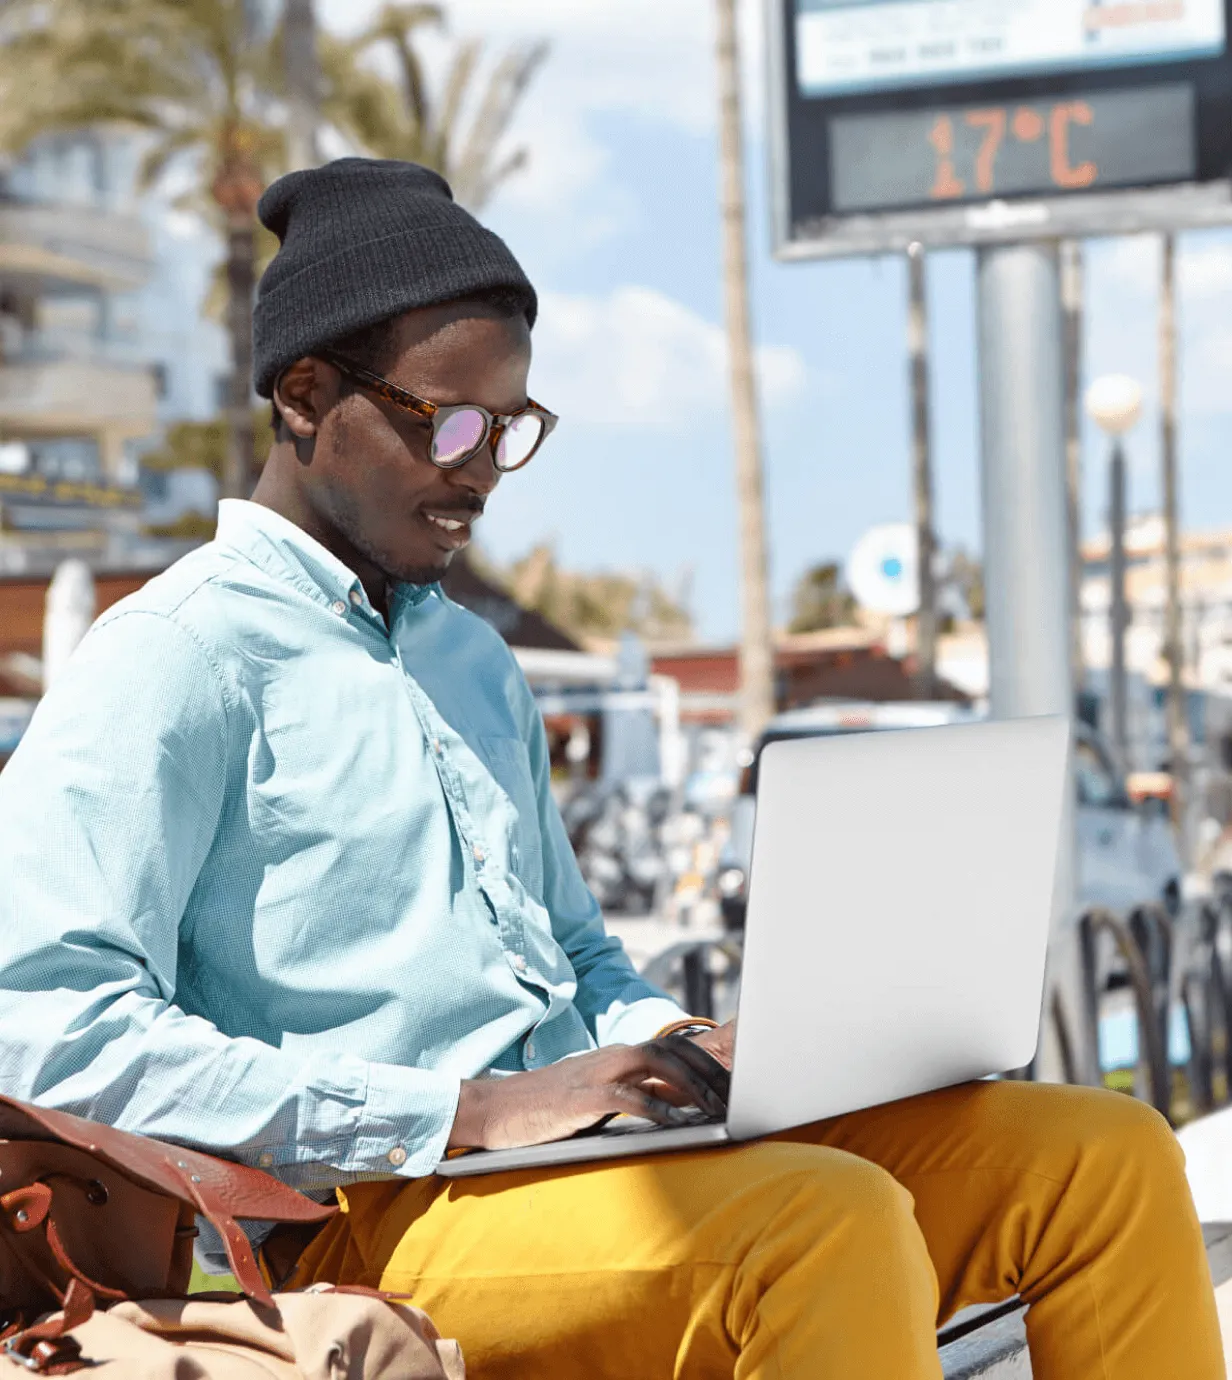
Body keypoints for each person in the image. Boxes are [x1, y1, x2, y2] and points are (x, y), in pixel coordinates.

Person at [0, 158, 1221, 1380]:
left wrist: (688, 1051)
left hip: (576, 1165)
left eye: (511, 428)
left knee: (1097, 1157)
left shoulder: (470, 661)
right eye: (451, 422)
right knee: (817, 1229)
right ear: (308, 395)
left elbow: (577, 959)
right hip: (353, 1222)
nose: (481, 470)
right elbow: (41, 1029)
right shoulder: (176, 654)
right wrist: (468, 1113)